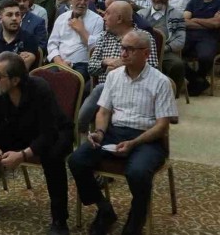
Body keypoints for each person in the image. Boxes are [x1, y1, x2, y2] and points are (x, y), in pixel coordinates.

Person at [69, 31, 177, 235]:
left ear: (146, 54)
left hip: (147, 139)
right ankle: (104, 209)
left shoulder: (161, 82)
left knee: (137, 173)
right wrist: (100, 132)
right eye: (123, 48)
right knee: (76, 160)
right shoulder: (114, 76)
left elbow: (162, 126)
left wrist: (134, 143)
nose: (123, 53)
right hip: (114, 133)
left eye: (130, 49)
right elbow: (104, 111)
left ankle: (135, 221)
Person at [0, 52, 73, 234]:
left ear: (15, 80)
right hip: (19, 128)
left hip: (54, 132)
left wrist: (23, 155)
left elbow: (48, 133)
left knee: (53, 155)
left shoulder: (40, 89)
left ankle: (59, 219)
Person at [79, 2, 159, 132]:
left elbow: (153, 68)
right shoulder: (104, 37)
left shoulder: (143, 37)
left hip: (135, 88)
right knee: (102, 88)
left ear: (120, 18)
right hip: (107, 92)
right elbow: (91, 68)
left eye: (108, 13)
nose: (104, 17)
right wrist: (104, 63)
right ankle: (80, 130)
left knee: (100, 88)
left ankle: (78, 128)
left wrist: (123, 67)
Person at [47, 0, 104, 85]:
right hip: (59, 62)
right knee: (42, 80)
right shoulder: (61, 18)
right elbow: (52, 44)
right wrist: (60, 63)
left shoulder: (97, 20)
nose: (82, 2)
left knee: (68, 82)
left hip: (82, 65)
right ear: (71, 0)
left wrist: (82, 30)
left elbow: (96, 49)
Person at [183, 0, 220, 95]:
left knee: (205, 57)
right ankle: (198, 80)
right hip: (189, 37)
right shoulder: (193, 2)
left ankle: (198, 80)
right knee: (173, 55)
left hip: (209, 38)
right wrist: (208, 22)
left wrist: (195, 19)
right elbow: (184, 22)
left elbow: (216, 23)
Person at [138, 0, 186, 94]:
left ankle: (172, 95)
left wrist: (165, 48)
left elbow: (180, 40)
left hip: (166, 52)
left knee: (177, 65)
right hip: (143, 52)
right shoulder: (141, 14)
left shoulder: (177, 15)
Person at [0, 1, 40, 70]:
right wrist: (16, 60)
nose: (14, 18)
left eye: (17, 14)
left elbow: (21, 69)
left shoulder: (30, 39)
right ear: (0, 19)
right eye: (9, 15)